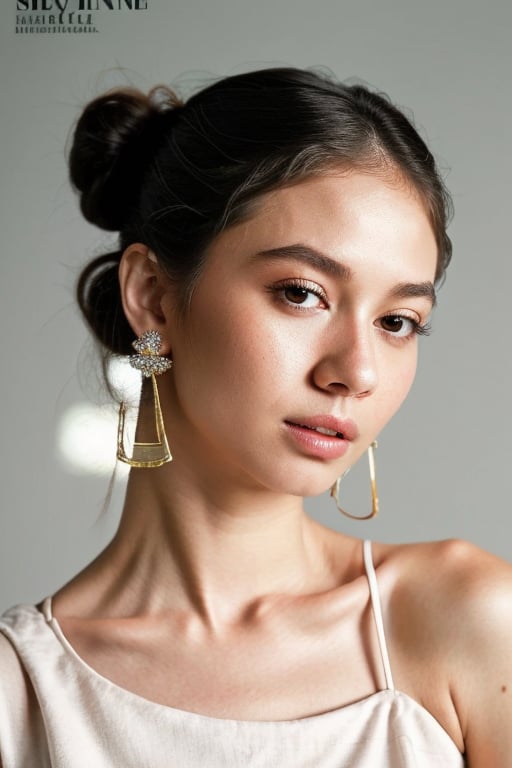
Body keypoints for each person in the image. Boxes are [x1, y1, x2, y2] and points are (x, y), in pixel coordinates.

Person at [0, 66, 510, 767]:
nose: (356, 371)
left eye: (397, 321)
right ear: (151, 295)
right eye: (302, 293)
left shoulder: (470, 621)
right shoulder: (18, 699)